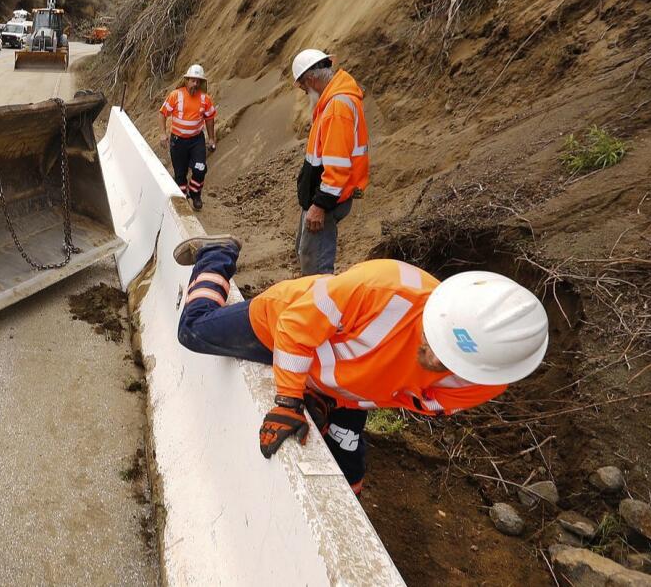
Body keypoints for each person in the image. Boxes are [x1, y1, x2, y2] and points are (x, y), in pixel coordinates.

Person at [172, 234, 548, 493]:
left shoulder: (485, 379)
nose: (434, 358)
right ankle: (217, 255)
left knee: (348, 469)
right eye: (435, 340)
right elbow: (295, 328)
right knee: (193, 331)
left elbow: (400, 395)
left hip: (343, 389)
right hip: (282, 327)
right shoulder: (380, 287)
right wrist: (290, 399)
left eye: (451, 361)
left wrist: (331, 400)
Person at [291, 48, 369, 275]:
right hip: (322, 196)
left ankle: (321, 307)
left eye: (304, 87)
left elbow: (337, 166)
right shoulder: (333, 102)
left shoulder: (336, 108)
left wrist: (320, 205)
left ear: (312, 79)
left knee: (316, 267)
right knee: (306, 253)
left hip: (327, 200)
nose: (305, 92)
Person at [160, 64, 218, 211]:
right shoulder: (175, 95)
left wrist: (211, 138)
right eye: (193, 80)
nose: (195, 84)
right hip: (178, 142)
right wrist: (163, 133)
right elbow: (163, 113)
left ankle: (195, 193)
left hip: (196, 140)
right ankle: (182, 197)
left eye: (198, 81)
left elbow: (210, 118)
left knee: (200, 169)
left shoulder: (205, 99)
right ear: (186, 80)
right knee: (180, 173)